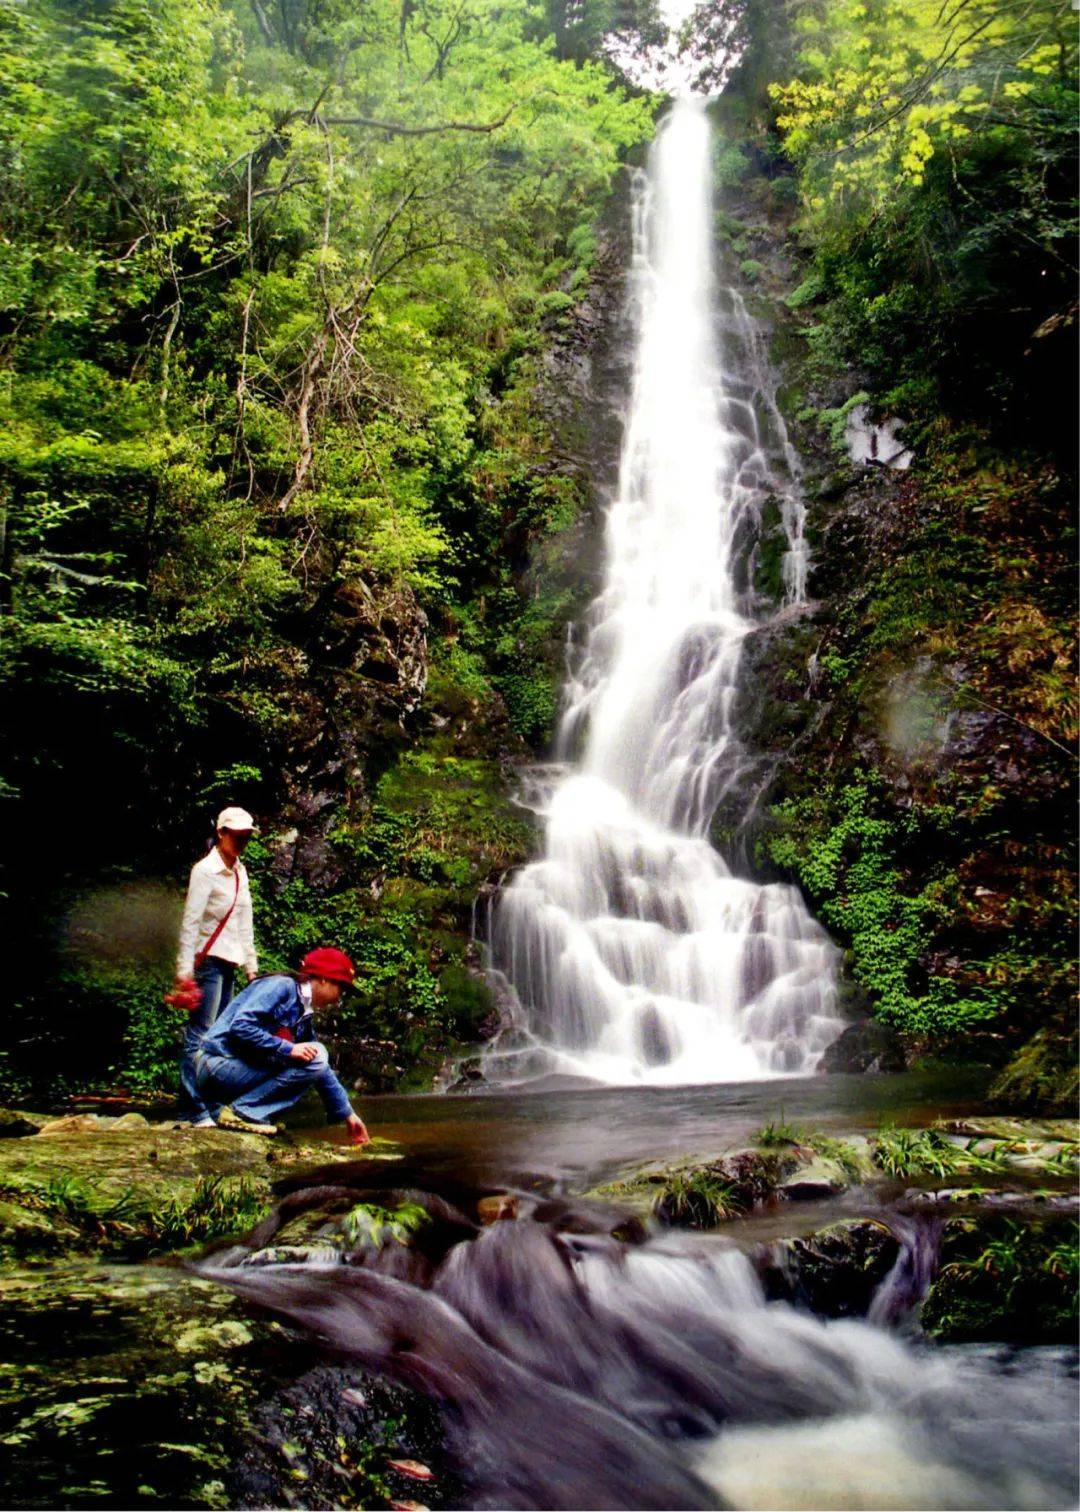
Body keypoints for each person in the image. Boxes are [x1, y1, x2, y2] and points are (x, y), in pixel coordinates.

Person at [194, 946, 370, 1144]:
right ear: (323, 979)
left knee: (314, 1056)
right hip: (218, 1063)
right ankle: (244, 1112)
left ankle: (246, 1113)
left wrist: (348, 1115)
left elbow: (320, 1069)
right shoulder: (281, 986)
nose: (340, 998)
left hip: (230, 1070)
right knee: (316, 1054)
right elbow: (241, 1026)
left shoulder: (302, 1009)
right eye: (342, 989)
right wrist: (289, 1049)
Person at [174, 806, 259, 1128]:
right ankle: (192, 1109)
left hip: (231, 961)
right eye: (237, 836)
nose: (241, 843)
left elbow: (243, 921)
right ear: (221, 833)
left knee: (220, 1037)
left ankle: (209, 1105)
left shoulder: (240, 871)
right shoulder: (205, 871)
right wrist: (184, 971)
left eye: (246, 838)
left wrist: (252, 966)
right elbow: (191, 922)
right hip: (207, 961)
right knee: (200, 1036)